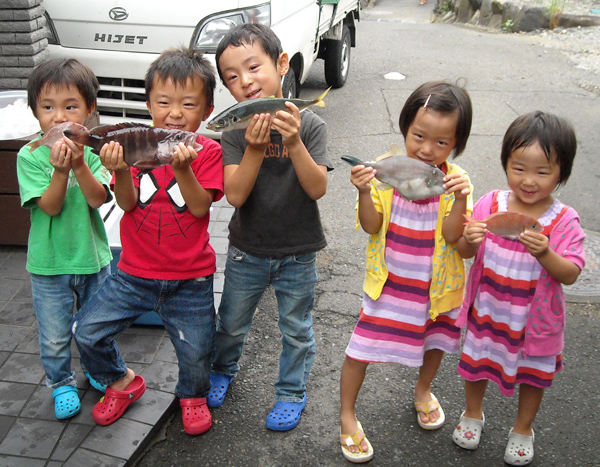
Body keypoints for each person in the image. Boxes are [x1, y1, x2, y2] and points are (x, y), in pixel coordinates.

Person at [72, 46, 223, 436]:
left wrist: (183, 168)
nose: (175, 112)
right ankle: (121, 381)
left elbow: (198, 207)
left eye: (189, 104)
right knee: (85, 330)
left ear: (206, 110)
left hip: (190, 279)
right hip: (132, 275)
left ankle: (193, 395)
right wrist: (120, 170)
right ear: (148, 104)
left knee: (197, 349)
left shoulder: (209, 151)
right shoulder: (133, 145)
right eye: (163, 102)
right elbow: (126, 203)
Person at [339, 81, 474, 462]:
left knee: (434, 342)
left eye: (442, 142)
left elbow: (452, 236)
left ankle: (422, 390)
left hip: (435, 290)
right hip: (390, 287)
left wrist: (461, 197)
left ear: (456, 145)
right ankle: (347, 414)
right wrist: (365, 191)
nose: (427, 149)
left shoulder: (454, 181)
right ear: (405, 129)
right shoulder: (386, 170)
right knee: (360, 349)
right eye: (418, 136)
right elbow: (371, 225)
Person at [206, 23, 332, 432]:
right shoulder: (235, 131)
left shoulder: (310, 125)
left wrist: (293, 143)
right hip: (247, 251)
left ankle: (291, 392)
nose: (244, 81)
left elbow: (317, 188)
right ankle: (223, 369)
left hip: (299, 252)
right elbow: (235, 196)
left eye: (253, 67)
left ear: (280, 64)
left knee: (297, 330)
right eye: (231, 77)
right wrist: (255, 149)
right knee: (231, 322)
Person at [452, 111, 585, 466]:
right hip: (488, 310)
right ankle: (472, 412)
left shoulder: (563, 219)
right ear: (505, 163)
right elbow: (465, 252)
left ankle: (523, 428)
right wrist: (470, 238)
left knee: (533, 376)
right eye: (518, 168)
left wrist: (546, 253)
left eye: (542, 172)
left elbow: (570, 273)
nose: (528, 181)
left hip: (534, 322)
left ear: (561, 173)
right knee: (476, 363)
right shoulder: (490, 204)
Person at [16, 58, 112, 420]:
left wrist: (78, 165)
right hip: (49, 264)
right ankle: (61, 383)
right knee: (55, 336)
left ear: (89, 110)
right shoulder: (29, 157)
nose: (58, 117)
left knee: (96, 326)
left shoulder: (93, 149)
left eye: (70, 106)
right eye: (47, 107)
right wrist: (59, 170)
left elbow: (97, 198)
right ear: (35, 111)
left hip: (92, 257)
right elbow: (51, 207)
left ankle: (99, 369)